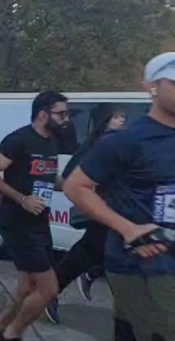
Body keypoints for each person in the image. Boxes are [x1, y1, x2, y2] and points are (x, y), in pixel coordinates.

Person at [64, 52, 175, 341]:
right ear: (152, 87)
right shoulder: (127, 140)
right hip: (145, 265)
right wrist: (128, 228)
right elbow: (75, 186)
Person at [0, 91, 69, 341]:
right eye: (61, 114)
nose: (65, 119)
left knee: (27, 286)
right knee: (48, 289)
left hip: (40, 222)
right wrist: (22, 199)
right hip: (18, 223)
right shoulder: (18, 140)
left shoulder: (52, 141)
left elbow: (48, 176)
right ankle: (12, 334)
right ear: (43, 114)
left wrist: (72, 186)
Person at [44, 103, 125, 324]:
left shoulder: (120, 144)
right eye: (116, 117)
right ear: (104, 121)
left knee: (101, 249)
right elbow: (70, 176)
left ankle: (87, 275)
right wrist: (92, 191)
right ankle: (48, 293)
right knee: (87, 251)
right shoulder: (96, 146)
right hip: (100, 208)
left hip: (116, 208)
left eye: (122, 117)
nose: (122, 121)